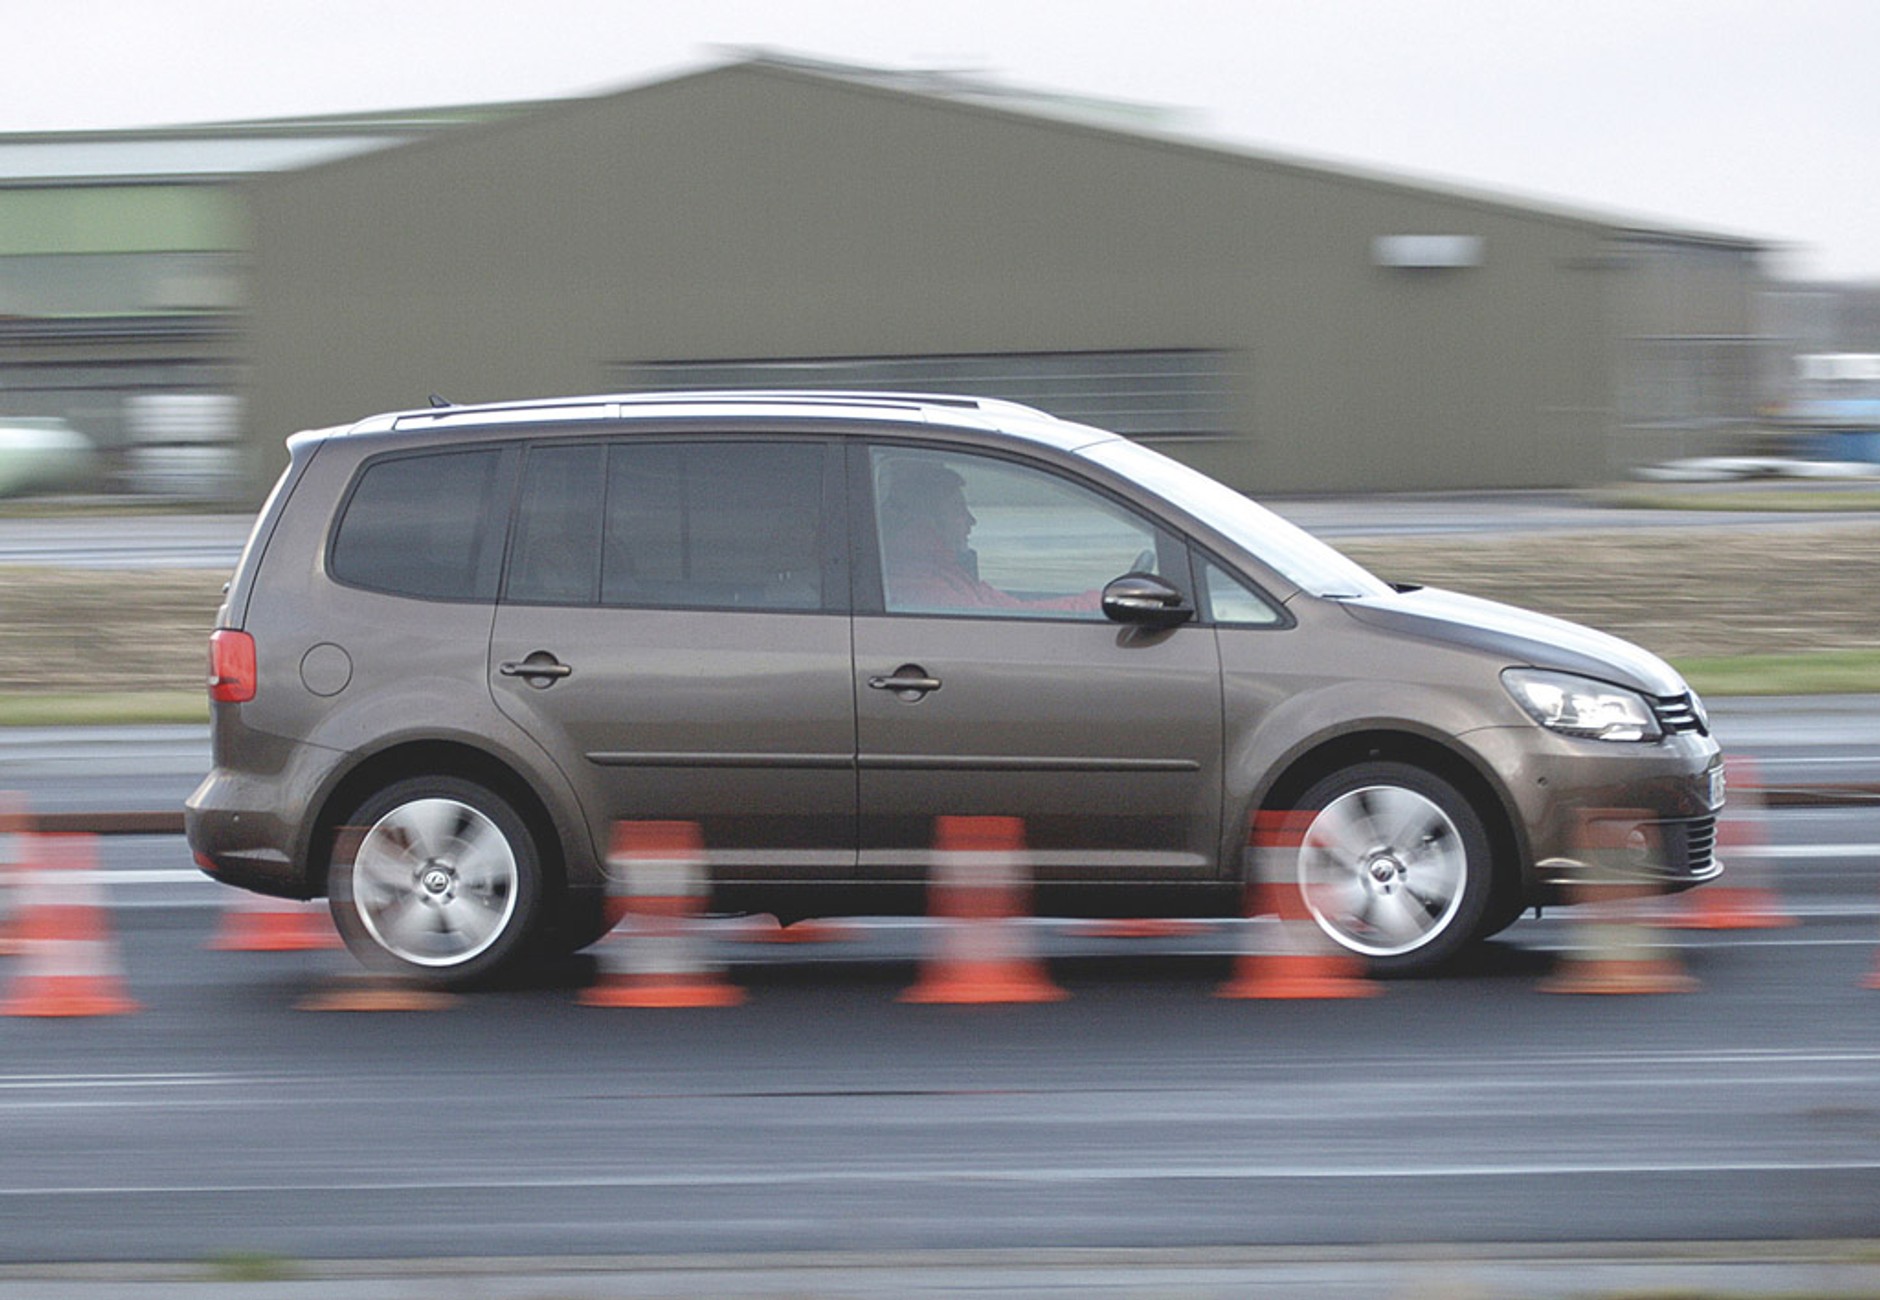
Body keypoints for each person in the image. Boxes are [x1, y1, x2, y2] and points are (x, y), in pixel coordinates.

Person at [877, 461, 1100, 613]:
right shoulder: (923, 585)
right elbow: (1009, 623)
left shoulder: (941, 570)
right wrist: (1095, 603)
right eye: (957, 510)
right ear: (926, 520)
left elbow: (1014, 609)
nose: (971, 520)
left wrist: (1092, 603)